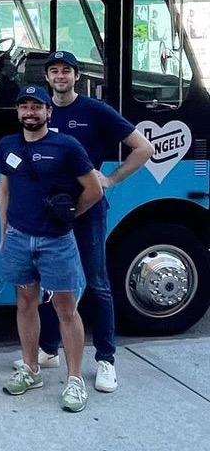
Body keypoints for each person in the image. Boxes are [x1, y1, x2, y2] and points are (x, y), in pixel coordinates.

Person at [26, 51, 152, 393]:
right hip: (51, 211)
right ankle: (49, 349)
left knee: (97, 283)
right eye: (54, 71)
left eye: (66, 70)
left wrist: (110, 179)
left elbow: (143, 148)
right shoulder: (40, 112)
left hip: (89, 208)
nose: (60, 76)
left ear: (77, 76)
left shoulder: (96, 111)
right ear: (46, 77)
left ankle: (106, 359)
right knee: (51, 282)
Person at [0, 85, 103, 413]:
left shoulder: (67, 146)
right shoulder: (7, 145)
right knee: (25, 302)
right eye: (24, 106)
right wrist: (4, 233)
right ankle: (31, 370)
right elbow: (5, 190)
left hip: (56, 241)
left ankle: (74, 380)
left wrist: (69, 216)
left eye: (36, 107)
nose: (30, 112)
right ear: (18, 111)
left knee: (65, 308)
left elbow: (94, 190)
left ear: (48, 112)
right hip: (18, 238)